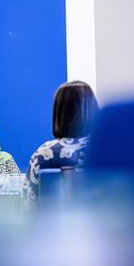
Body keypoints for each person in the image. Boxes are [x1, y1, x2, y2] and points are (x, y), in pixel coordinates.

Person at [24, 80, 99, 208]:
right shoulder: (107, 149)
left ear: (59, 113)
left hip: (53, 226)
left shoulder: (44, 154)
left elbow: (28, 207)